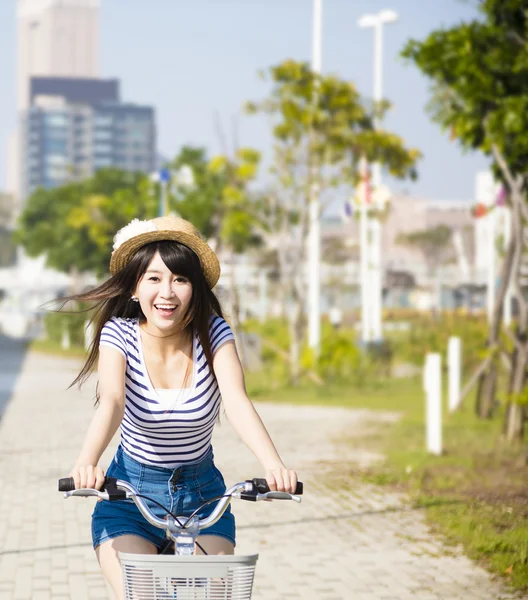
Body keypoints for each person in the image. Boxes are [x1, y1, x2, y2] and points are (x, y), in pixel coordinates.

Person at [66, 215, 298, 600]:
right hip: (130, 496)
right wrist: (86, 462)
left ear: (195, 288)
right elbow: (112, 401)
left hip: (203, 496)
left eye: (180, 279)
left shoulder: (214, 332)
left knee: (217, 594)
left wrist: (274, 465)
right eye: (154, 278)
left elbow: (237, 401)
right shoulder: (118, 335)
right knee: (142, 594)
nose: (167, 292)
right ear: (135, 288)